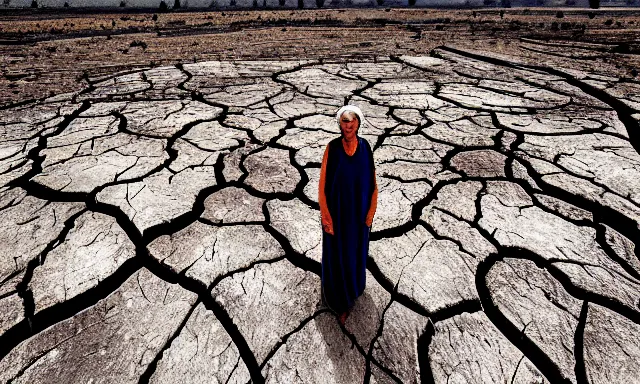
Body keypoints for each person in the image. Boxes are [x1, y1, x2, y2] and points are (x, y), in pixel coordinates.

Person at [318, 105, 378, 326]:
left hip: (358, 217)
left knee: (354, 256)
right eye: (344, 121)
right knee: (337, 257)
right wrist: (325, 215)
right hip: (337, 215)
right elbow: (323, 184)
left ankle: (353, 289)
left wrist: (371, 212)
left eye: (352, 121)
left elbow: (373, 183)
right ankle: (340, 303)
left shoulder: (366, 148)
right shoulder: (332, 148)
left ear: (359, 123)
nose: (349, 125)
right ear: (339, 124)